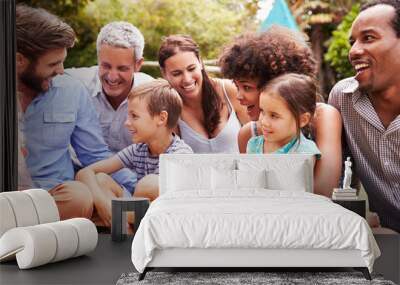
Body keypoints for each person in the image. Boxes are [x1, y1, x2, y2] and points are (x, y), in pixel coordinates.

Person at [16, 5, 136, 220]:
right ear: (19, 60)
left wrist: (134, 187)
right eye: (53, 64)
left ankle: (17, 227)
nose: (61, 70)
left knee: (79, 197)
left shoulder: (71, 91)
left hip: (56, 198)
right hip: (8, 197)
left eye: (63, 61)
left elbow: (94, 155)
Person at [218, 26, 342, 197]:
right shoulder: (249, 135)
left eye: (246, 87)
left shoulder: (322, 116)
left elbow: (323, 190)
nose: (239, 96)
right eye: (236, 86)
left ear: (276, 84)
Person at [76, 79, 193, 226]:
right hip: (139, 215)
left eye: (134, 116)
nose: (127, 122)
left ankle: (120, 221)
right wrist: (102, 203)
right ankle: (125, 234)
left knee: (148, 184)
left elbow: (179, 206)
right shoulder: (138, 150)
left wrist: (115, 211)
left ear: (161, 118)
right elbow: (85, 173)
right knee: (100, 179)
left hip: (168, 221)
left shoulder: (180, 154)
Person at [328, 0, 400, 232]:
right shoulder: (343, 98)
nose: (354, 51)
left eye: (368, 38)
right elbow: (341, 182)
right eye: (353, 42)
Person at [67, 21, 154, 153]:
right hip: (81, 169)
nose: (112, 77)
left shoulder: (153, 94)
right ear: (98, 58)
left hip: (133, 172)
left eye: (122, 68)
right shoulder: (74, 85)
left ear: (138, 65)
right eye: (106, 66)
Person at [158, 34, 249, 153]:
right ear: (164, 73)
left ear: (200, 62)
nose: (187, 79)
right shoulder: (169, 109)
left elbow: (256, 137)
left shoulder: (229, 90)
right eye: (177, 73)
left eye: (191, 69)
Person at [247, 73, 320, 159]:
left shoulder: (305, 152)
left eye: (274, 116)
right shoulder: (253, 144)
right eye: (262, 111)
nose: (264, 122)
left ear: (302, 120)